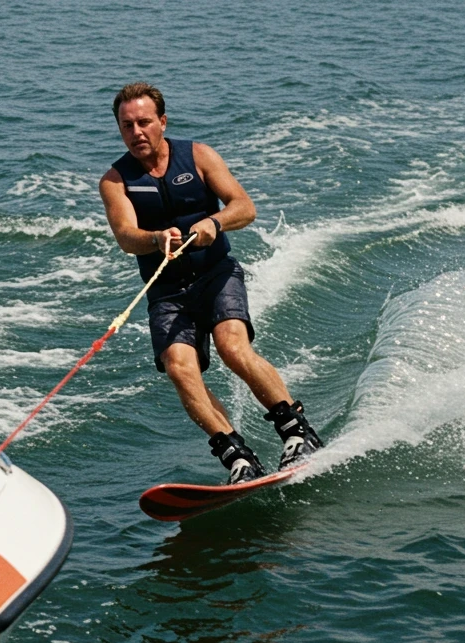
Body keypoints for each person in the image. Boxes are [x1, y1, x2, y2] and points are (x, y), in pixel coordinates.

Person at [99, 82, 322, 484]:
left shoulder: (198, 156)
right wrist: (153, 239)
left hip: (216, 274)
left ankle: (297, 431)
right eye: (127, 125)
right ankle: (238, 457)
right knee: (179, 368)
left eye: (145, 122)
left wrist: (213, 222)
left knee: (233, 347)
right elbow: (124, 236)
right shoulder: (115, 181)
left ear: (162, 122)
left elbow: (244, 207)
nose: (137, 132)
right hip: (166, 290)